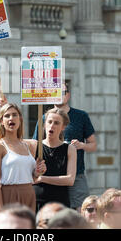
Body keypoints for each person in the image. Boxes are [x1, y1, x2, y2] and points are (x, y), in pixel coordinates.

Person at [33, 82, 97, 211]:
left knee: (80, 211)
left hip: (76, 174)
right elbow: (35, 146)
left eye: (62, 92)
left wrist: (81, 145)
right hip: (50, 177)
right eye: (54, 92)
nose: (52, 125)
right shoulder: (44, 117)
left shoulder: (81, 116)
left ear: (68, 95)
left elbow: (93, 145)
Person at [0, 103, 46, 215]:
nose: (11, 118)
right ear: (1, 122)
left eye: (14, 115)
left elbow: (33, 178)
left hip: (29, 193)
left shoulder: (28, 145)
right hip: (8, 194)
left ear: (20, 119)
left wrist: (38, 172)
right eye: (7, 116)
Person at [33, 108, 76, 210]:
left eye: (56, 123)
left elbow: (70, 180)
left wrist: (42, 179)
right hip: (36, 202)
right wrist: (36, 173)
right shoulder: (34, 146)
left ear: (63, 127)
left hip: (59, 202)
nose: (52, 125)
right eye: (49, 122)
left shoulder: (69, 149)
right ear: (44, 124)